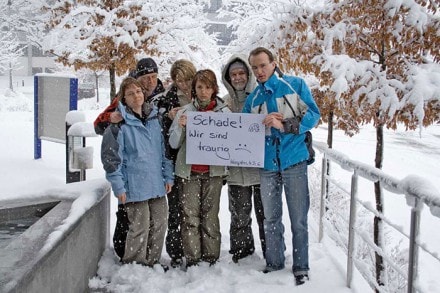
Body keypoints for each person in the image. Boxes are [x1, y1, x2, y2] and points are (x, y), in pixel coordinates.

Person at [242, 47, 320, 285]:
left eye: (263, 65)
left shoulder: (294, 85)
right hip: (266, 165)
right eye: (254, 67)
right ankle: (274, 262)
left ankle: (301, 267)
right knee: (271, 217)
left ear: (274, 64)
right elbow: (245, 132)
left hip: (294, 161)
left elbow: (313, 116)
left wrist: (284, 124)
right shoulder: (253, 98)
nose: (259, 71)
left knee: (298, 218)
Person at [94, 57, 166, 261]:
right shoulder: (121, 105)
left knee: (157, 221)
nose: (149, 81)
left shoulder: (163, 97)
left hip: (155, 174)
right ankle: (128, 255)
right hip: (131, 176)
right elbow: (100, 126)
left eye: (153, 77)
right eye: (145, 77)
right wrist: (111, 119)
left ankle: (151, 259)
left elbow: (163, 142)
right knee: (133, 221)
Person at [169, 69, 230, 268]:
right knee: (190, 217)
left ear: (214, 89)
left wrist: (219, 124)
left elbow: (232, 143)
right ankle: (193, 258)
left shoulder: (224, 112)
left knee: (210, 215)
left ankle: (211, 256)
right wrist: (181, 126)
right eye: (200, 87)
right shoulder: (185, 111)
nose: (204, 91)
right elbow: (173, 143)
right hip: (189, 173)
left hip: (214, 173)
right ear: (194, 89)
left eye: (208, 87)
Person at [221, 54, 265, 263]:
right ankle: (242, 252)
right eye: (233, 74)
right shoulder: (223, 103)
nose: (238, 77)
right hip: (236, 172)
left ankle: (271, 253)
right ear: (228, 78)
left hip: (261, 171)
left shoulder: (261, 97)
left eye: (241, 73)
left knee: (266, 217)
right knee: (239, 215)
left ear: (248, 75)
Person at [156, 59, 197, 268]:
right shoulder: (167, 99)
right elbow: (159, 126)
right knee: (175, 208)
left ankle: (193, 250)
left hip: (198, 161)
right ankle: (175, 251)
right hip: (175, 159)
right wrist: (169, 116)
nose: (183, 84)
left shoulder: (202, 92)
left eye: (187, 80)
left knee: (192, 210)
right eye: (178, 81)